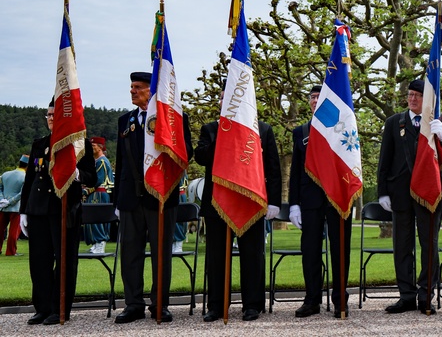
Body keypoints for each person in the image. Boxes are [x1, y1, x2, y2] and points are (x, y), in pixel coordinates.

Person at [113, 71, 192, 324]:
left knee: (161, 254)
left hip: (160, 197)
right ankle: (133, 304)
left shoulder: (173, 119)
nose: (132, 91)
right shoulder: (125, 121)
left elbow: (184, 154)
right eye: (131, 87)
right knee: (130, 254)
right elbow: (121, 162)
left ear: (151, 89)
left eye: (137, 87)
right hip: (130, 198)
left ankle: (160, 304)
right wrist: (117, 200)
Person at [376, 79, 442, 314]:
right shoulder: (395, 122)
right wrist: (382, 191)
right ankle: (406, 296)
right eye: (410, 94)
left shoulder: (441, 121)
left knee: (428, 244)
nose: (412, 98)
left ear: (428, 99)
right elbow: (385, 160)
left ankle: (426, 294)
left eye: (418, 95)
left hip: (430, 192)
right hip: (400, 193)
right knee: (402, 246)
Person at [195, 104, 281, 323]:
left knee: (252, 256)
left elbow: (272, 168)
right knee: (216, 257)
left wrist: (274, 202)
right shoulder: (210, 129)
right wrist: (225, 137)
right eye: (224, 99)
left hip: (249, 201)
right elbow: (200, 157)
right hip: (217, 203)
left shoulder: (262, 129)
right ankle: (216, 305)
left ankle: (252, 305)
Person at [21, 100, 97, 325]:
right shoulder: (40, 144)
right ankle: (42, 307)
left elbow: (92, 177)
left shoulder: (79, 144)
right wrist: (24, 210)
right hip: (38, 209)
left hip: (63, 209)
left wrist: (75, 173)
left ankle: (59, 307)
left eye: (55, 114)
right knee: (39, 261)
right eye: (48, 114)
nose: (51, 118)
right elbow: (30, 180)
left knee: (65, 260)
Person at [288, 84, 353, 318]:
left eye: (319, 96)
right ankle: (312, 300)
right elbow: (296, 171)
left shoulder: (342, 127)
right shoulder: (301, 132)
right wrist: (293, 203)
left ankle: (340, 300)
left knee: (339, 250)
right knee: (311, 251)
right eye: (312, 97)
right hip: (310, 199)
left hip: (337, 198)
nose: (315, 100)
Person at [82, 138, 114, 254]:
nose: (91, 147)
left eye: (94, 145)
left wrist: (86, 190)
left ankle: (100, 242)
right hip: (95, 192)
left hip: (98, 193)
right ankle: (95, 243)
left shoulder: (101, 161)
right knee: (92, 218)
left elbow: (98, 180)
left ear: (100, 147)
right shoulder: (97, 161)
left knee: (97, 218)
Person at [0, 155, 28, 256]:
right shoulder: (25, 177)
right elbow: (22, 193)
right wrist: (11, 201)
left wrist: (2, 199)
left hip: (3, 206)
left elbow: (0, 188)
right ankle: (11, 251)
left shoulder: (5, 174)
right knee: (14, 231)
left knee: (0, 229)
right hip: (16, 207)